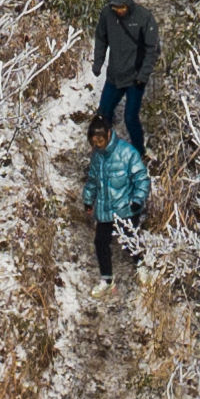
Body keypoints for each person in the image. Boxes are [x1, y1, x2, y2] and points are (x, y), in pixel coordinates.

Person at [91, 0, 160, 149]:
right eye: (115, 7)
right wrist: (98, 62)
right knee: (102, 114)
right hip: (114, 75)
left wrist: (143, 75)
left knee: (130, 117)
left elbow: (152, 49)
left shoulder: (144, 17)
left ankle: (139, 151)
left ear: (129, 3)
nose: (118, 10)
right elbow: (101, 39)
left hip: (135, 78)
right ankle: (103, 150)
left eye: (121, 7)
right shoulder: (107, 15)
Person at [85, 113, 152, 281]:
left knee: (130, 241)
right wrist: (88, 199)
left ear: (109, 133)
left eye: (100, 140)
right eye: (94, 142)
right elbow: (92, 180)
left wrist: (137, 200)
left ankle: (143, 268)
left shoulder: (127, 153)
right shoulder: (96, 156)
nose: (98, 145)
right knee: (100, 243)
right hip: (104, 208)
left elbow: (141, 179)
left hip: (126, 209)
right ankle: (106, 279)